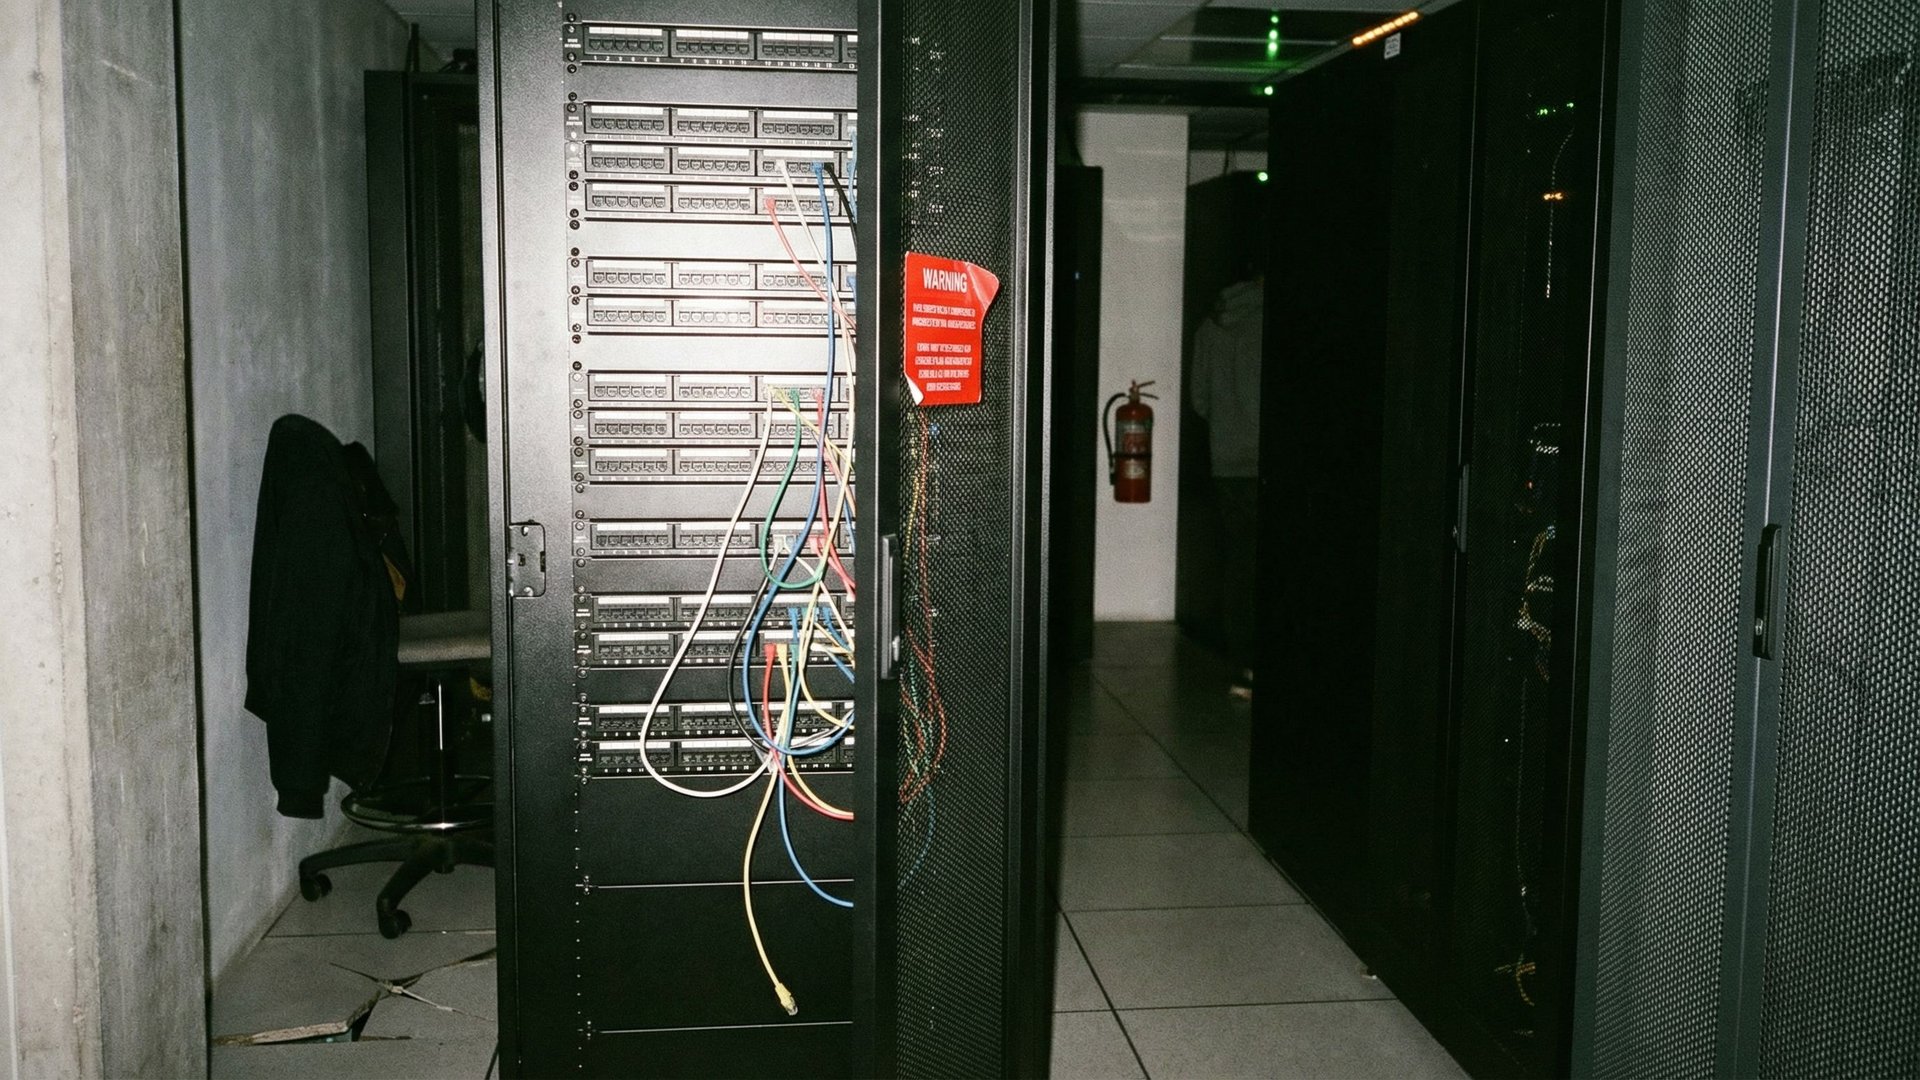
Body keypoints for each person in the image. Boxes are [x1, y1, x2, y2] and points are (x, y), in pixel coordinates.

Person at [1190, 269, 1265, 698]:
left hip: (1227, 462)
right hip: (1264, 462)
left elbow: (1200, 401)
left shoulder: (1211, 324)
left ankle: (1244, 666)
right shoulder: (1273, 322)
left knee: (1240, 563)